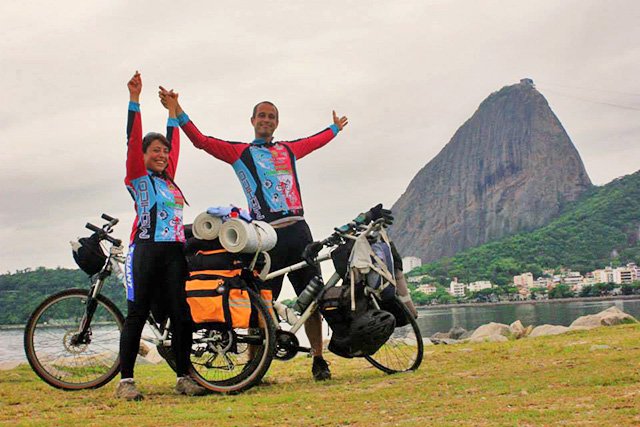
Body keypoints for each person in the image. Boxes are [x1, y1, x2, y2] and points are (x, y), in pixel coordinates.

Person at [158, 87, 347, 381]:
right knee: (260, 300)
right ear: (252, 120)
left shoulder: (288, 149)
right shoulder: (240, 153)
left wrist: (334, 129)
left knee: (311, 298)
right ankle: (254, 364)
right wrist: (176, 109)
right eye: (262, 115)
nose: (266, 120)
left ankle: (319, 359)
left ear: (277, 123)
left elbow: (313, 142)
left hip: (299, 231)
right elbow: (202, 141)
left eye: (271, 117)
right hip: (266, 236)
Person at [116, 72, 205, 400]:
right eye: (155, 150)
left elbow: (175, 145)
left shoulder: (169, 181)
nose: (162, 155)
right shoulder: (138, 178)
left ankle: (183, 376)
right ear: (141, 155)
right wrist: (134, 100)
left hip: (174, 254)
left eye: (164, 152)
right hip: (146, 251)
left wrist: (172, 111)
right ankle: (126, 382)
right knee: (136, 315)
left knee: (182, 315)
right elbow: (132, 138)